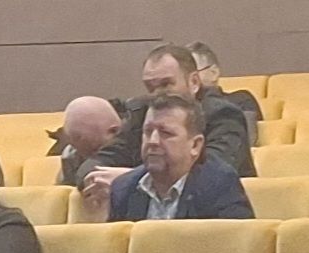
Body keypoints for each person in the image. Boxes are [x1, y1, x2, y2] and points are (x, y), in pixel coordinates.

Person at [83, 44, 256, 201]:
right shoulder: (142, 114)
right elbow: (92, 165)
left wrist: (128, 180)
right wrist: (99, 179)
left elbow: (214, 173)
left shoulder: (223, 114)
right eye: (150, 87)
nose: (157, 94)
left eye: (166, 84)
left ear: (194, 82)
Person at [88, 94, 254, 222]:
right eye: (148, 132)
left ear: (195, 145)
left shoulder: (219, 185)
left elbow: (234, 251)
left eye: (166, 133)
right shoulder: (124, 188)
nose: (153, 141)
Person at [57, 96, 124, 189]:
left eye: (96, 150)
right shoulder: (71, 156)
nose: (91, 160)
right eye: (84, 155)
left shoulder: (139, 141)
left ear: (115, 131)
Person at [188, 42, 264, 122]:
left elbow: (249, 129)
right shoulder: (180, 108)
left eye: (193, 72)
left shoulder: (241, 101)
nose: (187, 79)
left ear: (214, 73)